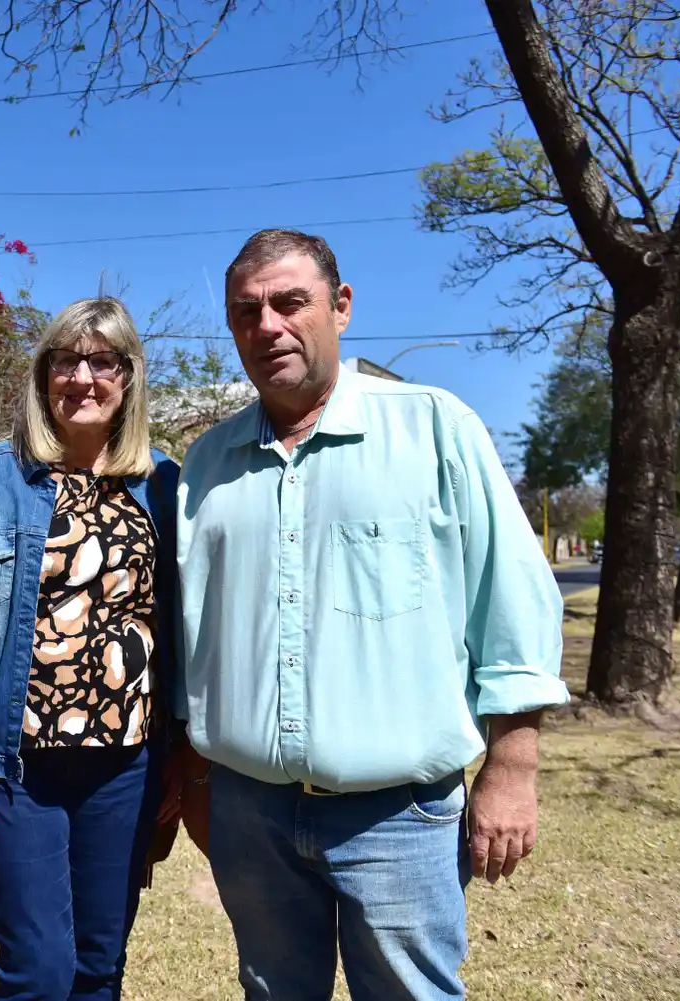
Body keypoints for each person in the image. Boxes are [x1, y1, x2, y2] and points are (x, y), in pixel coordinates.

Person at [172, 230, 569, 1000]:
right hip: (249, 809)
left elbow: (513, 595)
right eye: (246, 312)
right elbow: (198, 633)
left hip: (399, 816)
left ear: (341, 307)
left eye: (291, 303)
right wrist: (195, 776)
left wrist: (512, 766)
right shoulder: (208, 463)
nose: (269, 327)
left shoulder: (433, 427)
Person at [0, 297, 182, 1001]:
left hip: (126, 768)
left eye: (104, 362)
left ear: (129, 378)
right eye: (66, 359)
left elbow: (182, 632)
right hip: (14, 770)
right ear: (43, 373)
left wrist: (184, 760)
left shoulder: (163, 486)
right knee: (38, 970)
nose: (83, 377)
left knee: (99, 966)